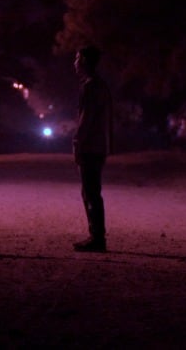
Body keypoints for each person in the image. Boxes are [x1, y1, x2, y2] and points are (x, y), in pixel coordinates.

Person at [71, 44, 113, 252]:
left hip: (90, 147)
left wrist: (77, 143)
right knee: (92, 191)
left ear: (86, 62)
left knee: (90, 192)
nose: (75, 63)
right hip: (99, 146)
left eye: (78, 59)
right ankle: (96, 235)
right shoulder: (101, 86)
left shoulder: (90, 87)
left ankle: (97, 237)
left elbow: (85, 120)